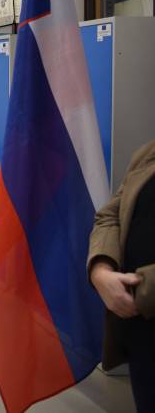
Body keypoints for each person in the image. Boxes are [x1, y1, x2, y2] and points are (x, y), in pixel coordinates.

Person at [87, 140, 155, 411]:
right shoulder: (147, 154)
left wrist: (140, 291)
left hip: (138, 302)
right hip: (141, 332)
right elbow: (109, 216)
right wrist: (101, 270)